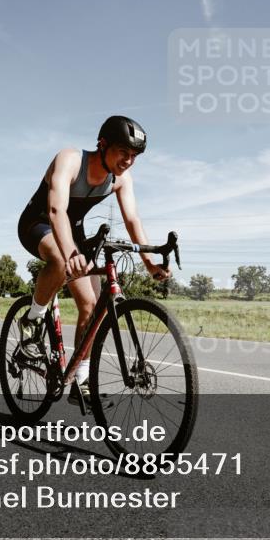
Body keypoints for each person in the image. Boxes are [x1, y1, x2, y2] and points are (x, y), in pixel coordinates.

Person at [17, 116, 169, 406]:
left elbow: (132, 219)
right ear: (102, 144)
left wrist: (149, 263)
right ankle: (32, 320)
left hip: (73, 234)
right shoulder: (71, 160)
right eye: (123, 152)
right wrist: (70, 253)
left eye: (134, 156)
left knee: (91, 305)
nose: (128, 161)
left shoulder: (120, 180)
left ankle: (81, 380)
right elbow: (55, 210)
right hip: (38, 223)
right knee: (60, 261)